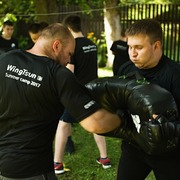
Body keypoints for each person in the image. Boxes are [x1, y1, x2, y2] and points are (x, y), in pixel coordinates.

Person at [0, 23, 121, 180]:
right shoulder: (59, 75)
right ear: (56, 45)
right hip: (31, 170)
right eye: (69, 53)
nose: (69, 59)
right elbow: (96, 123)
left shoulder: (6, 59)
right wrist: (123, 119)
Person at [117, 19, 180, 180]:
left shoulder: (175, 75)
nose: (132, 53)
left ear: (156, 46)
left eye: (139, 47)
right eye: (130, 47)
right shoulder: (125, 70)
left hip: (169, 154)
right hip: (134, 147)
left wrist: (168, 125)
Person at [54, 15, 111, 175]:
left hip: (76, 92)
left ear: (68, 29)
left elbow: (69, 72)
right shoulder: (91, 44)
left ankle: (57, 164)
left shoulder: (73, 46)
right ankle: (104, 158)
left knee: (63, 124)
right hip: (93, 90)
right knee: (96, 123)